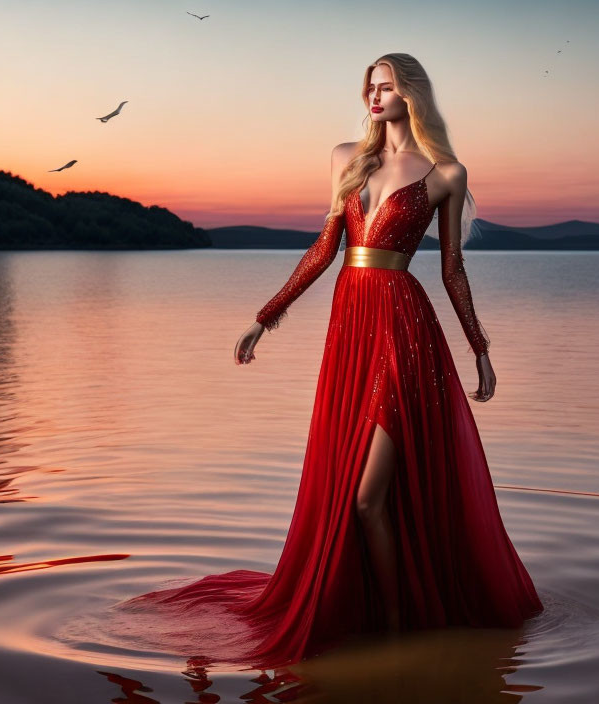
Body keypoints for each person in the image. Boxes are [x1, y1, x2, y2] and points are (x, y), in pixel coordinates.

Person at [120, 53, 543, 671]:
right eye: (369, 87)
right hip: (351, 327)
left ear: (413, 94)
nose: (374, 96)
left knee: (369, 497)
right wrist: (264, 317)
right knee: (354, 489)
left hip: (406, 329)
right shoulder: (349, 157)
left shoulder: (446, 173)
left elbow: (452, 270)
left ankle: (400, 634)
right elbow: (325, 248)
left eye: (387, 87)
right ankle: (387, 623)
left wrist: (480, 349)